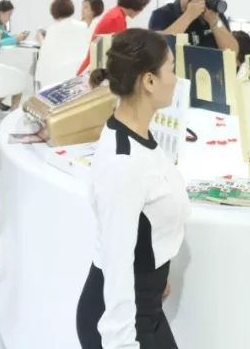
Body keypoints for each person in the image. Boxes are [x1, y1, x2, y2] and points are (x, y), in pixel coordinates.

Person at [75, 29, 189, 349]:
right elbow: (117, 263)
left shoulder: (138, 137)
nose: (176, 79)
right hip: (120, 323)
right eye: (171, 69)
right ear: (149, 81)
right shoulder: (123, 163)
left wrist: (157, 273)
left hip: (145, 306)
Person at [76, 0, 152, 75]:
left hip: (94, 69)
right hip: (92, 72)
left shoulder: (117, 14)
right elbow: (119, 53)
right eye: (143, 6)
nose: (142, 11)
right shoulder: (116, 19)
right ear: (136, 4)